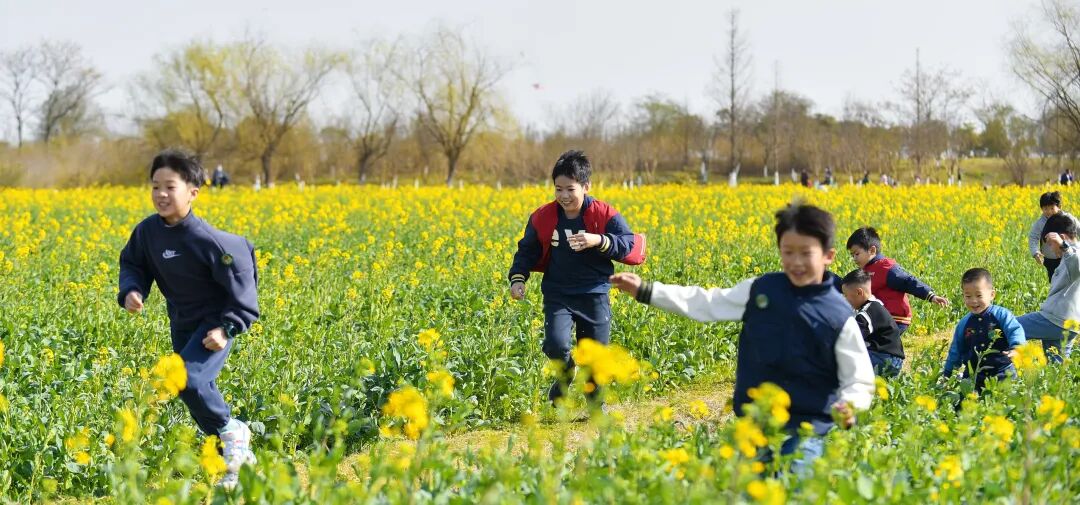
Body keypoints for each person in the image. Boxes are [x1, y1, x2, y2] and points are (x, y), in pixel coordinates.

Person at [610, 203, 874, 473]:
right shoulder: (762, 291)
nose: (796, 262)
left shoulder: (837, 315)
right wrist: (647, 291)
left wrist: (850, 404)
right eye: (788, 252)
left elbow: (859, 377)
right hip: (753, 427)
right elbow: (708, 303)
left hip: (804, 432)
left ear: (828, 255)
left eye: (806, 253)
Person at [118, 149, 259, 488]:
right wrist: (132, 291)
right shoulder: (148, 232)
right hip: (181, 321)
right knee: (192, 389)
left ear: (193, 192)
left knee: (189, 382)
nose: (161, 194)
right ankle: (236, 459)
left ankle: (233, 434)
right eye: (155, 187)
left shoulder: (209, 240)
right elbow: (134, 263)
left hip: (213, 322)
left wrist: (227, 327)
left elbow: (242, 280)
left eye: (170, 186)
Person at [507, 150, 643, 408]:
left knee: (595, 355)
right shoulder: (543, 217)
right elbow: (527, 250)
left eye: (570, 189)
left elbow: (628, 243)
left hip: (595, 292)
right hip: (559, 294)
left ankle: (595, 404)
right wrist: (517, 279)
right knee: (556, 345)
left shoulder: (604, 214)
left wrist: (599, 240)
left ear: (586, 186)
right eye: (558, 189)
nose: (564, 196)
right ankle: (565, 371)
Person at [846, 227, 949, 336]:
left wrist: (930, 295)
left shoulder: (886, 268)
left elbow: (908, 281)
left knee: (871, 341)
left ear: (872, 250)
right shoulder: (867, 269)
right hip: (880, 316)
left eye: (857, 254)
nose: (854, 259)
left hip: (895, 318)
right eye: (852, 255)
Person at [942, 268, 1026, 391]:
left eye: (979, 295)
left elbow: (1015, 331)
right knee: (965, 406)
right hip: (973, 376)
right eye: (968, 296)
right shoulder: (964, 323)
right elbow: (956, 350)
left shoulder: (1002, 315)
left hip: (1003, 372)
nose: (973, 301)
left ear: (992, 295)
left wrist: (1017, 348)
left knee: (1003, 403)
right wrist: (947, 374)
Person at [1016, 213, 1080, 363]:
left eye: (1050, 244)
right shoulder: (1068, 256)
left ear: (1062, 238)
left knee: (1006, 328)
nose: (1049, 250)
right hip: (1066, 325)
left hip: (1055, 320)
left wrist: (1063, 246)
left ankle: (990, 370)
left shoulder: (1073, 254)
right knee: (1056, 369)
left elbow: (1077, 264)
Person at [841, 269, 903, 377]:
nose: (845, 300)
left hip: (885, 360)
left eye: (846, 295)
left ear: (859, 292)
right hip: (890, 358)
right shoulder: (874, 305)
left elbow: (853, 336)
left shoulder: (867, 313)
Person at [1029, 191, 1067, 282]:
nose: (1049, 211)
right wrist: (1036, 252)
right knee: (1053, 282)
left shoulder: (1066, 219)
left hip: (1066, 257)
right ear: (1041, 209)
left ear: (1059, 207)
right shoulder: (1040, 223)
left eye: (1052, 208)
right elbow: (1033, 237)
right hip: (1050, 259)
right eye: (1045, 208)